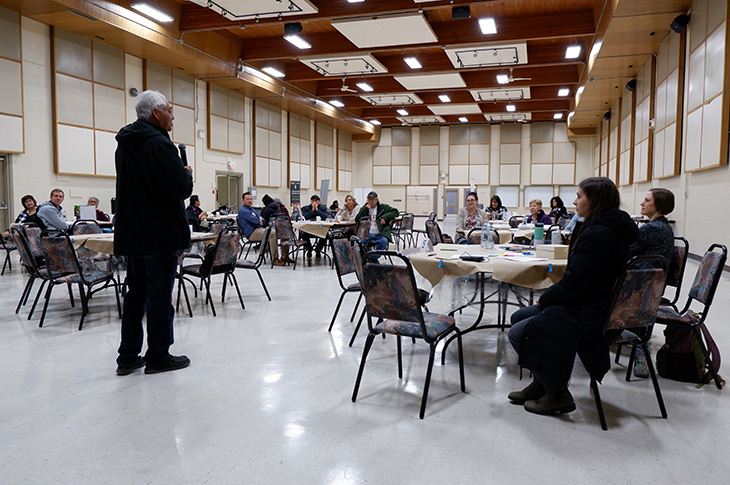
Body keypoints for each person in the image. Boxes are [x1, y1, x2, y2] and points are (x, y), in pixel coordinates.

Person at [507, 177, 638, 416]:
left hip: (588, 311)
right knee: (518, 317)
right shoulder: (603, 227)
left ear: (594, 200)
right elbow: (579, 280)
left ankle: (557, 394)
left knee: (518, 332)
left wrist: (545, 299)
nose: (574, 201)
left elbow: (575, 284)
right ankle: (542, 383)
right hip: (592, 302)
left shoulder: (600, 234)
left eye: (579, 196)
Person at [114, 89, 193, 376]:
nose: (173, 116)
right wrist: (186, 174)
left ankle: (127, 357)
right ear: (156, 113)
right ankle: (158, 355)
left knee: (135, 297)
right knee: (159, 298)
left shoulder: (125, 144)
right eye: (170, 110)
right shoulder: (159, 144)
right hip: (159, 235)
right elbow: (181, 189)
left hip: (133, 234)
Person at [629, 188, 675, 267]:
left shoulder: (652, 228)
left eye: (647, 200)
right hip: (655, 273)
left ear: (659, 205)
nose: (642, 204)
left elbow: (629, 250)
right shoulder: (665, 226)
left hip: (642, 274)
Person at [237, 192, 284, 265]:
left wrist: (259, 220)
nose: (250, 201)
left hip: (258, 230)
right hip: (252, 233)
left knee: (276, 231)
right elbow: (256, 220)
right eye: (247, 199)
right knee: (272, 233)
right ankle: (274, 259)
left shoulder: (251, 209)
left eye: (251, 199)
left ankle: (284, 256)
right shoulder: (243, 211)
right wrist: (258, 220)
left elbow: (262, 219)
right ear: (243, 201)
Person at [355, 191, 399, 260]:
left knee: (383, 241)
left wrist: (384, 217)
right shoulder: (365, 208)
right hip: (367, 234)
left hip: (380, 233)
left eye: (372, 199)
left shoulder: (383, 207)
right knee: (358, 242)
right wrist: (365, 209)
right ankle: (364, 257)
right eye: (368, 199)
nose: (370, 201)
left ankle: (372, 258)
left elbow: (396, 212)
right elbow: (357, 219)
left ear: (376, 200)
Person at [301, 194, 329, 259]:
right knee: (303, 234)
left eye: (316, 201)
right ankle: (309, 248)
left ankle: (318, 249)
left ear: (319, 202)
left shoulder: (323, 208)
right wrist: (312, 210)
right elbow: (305, 216)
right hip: (308, 228)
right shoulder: (306, 208)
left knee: (326, 235)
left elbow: (324, 217)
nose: (314, 202)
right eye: (312, 200)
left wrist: (317, 210)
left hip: (320, 228)